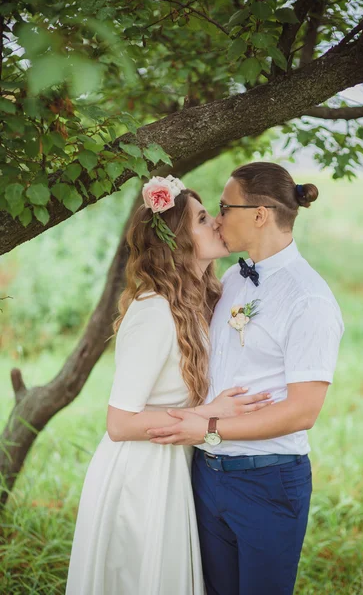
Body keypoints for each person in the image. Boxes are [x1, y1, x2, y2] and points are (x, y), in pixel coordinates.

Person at [65, 175, 272, 595]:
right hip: (138, 475)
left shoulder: (199, 301)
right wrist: (206, 413)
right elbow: (119, 423)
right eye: (201, 218)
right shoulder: (153, 310)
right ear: (176, 239)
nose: (216, 221)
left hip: (173, 466)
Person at [148, 162, 345, 595]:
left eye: (224, 206)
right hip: (206, 475)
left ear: (259, 214)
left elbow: (303, 412)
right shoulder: (236, 277)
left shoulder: (309, 300)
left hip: (267, 482)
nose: (217, 218)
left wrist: (210, 427)